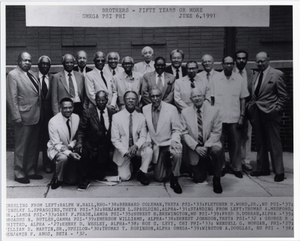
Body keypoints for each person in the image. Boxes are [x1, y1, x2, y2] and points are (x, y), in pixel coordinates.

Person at [247, 52, 289, 182]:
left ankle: (279, 171)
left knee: (274, 142)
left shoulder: (277, 74)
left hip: (270, 113)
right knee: (260, 142)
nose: (260, 63)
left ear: (268, 60)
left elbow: (284, 96)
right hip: (257, 113)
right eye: (258, 61)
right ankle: (263, 168)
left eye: (262, 61)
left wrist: (276, 109)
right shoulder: (255, 75)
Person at [7, 51, 43, 184]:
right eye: (25, 60)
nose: (28, 62)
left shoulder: (32, 74)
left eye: (29, 60)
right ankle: (19, 172)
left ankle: (31, 170)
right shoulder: (13, 75)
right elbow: (12, 98)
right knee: (21, 146)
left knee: (33, 145)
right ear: (18, 61)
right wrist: (16, 117)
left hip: (35, 116)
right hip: (22, 117)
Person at [210, 56, 249, 178]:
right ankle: (221, 167)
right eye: (226, 63)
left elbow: (243, 99)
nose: (228, 66)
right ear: (222, 64)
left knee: (236, 144)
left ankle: (237, 167)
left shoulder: (239, 79)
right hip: (219, 118)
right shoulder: (215, 79)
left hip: (234, 117)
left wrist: (242, 116)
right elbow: (212, 99)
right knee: (219, 144)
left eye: (231, 63)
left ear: (234, 65)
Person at [181, 88, 223, 193]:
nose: (197, 98)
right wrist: (196, 147)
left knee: (217, 151)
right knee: (199, 179)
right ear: (191, 99)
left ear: (204, 97)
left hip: (211, 143)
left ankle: (217, 179)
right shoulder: (185, 112)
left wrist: (206, 146)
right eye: (194, 96)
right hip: (195, 148)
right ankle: (204, 164)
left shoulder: (214, 110)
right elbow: (184, 133)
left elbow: (216, 132)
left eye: (199, 95)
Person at [143, 87, 183, 194]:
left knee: (177, 153)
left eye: (158, 96)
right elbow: (145, 128)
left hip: (169, 143)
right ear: (149, 97)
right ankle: (167, 164)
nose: (155, 98)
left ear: (161, 96)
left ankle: (175, 179)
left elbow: (177, 129)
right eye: (153, 96)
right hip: (157, 145)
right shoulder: (145, 109)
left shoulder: (171, 109)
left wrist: (175, 140)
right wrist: (147, 140)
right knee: (159, 178)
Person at [74, 91, 118, 183]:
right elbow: (81, 130)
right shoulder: (87, 112)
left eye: (103, 100)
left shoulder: (113, 113)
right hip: (91, 145)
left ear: (107, 100)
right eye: (98, 100)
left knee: (100, 175)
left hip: (105, 146)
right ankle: (85, 177)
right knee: (88, 170)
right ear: (95, 100)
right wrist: (79, 143)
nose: (101, 103)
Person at [111, 90, 153, 184]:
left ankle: (142, 173)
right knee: (124, 177)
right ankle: (132, 164)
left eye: (133, 99)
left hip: (136, 148)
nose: (130, 100)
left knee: (149, 151)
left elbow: (143, 136)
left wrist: (136, 146)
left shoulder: (141, 117)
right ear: (124, 101)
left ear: (137, 101)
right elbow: (114, 139)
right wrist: (126, 152)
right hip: (124, 150)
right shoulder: (116, 117)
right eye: (128, 98)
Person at [47, 98, 89, 190]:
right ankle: (58, 179)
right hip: (58, 149)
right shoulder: (53, 122)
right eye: (65, 108)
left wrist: (70, 146)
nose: (68, 110)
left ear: (73, 107)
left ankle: (80, 175)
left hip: (71, 147)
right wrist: (69, 153)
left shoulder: (76, 117)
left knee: (72, 181)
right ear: (60, 108)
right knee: (63, 158)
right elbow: (56, 144)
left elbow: (77, 136)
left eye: (70, 107)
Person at [234, 50, 254, 171]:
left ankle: (246, 160)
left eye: (243, 58)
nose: (241, 60)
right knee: (234, 136)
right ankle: (235, 161)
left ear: (246, 59)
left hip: (248, 109)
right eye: (239, 58)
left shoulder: (251, 73)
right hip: (233, 108)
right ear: (235, 60)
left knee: (247, 136)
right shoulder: (230, 72)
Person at [36, 55, 54, 173]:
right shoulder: (33, 77)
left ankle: (47, 164)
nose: (45, 66)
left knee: (48, 139)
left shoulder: (53, 78)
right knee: (35, 140)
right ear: (38, 65)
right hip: (36, 115)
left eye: (47, 64)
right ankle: (32, 166)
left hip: (49, 115)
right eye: (42, 64)